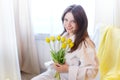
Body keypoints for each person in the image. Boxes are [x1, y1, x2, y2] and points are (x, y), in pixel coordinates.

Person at [31, 4, 99, 80]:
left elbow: (92, 71)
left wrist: (68, 69)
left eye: (73, 21)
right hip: (57, 74)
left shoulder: (85, 44)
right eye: (66, 20)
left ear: (80, 23)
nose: (68, 24)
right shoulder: (63, 37)